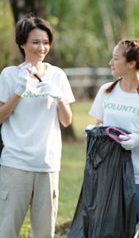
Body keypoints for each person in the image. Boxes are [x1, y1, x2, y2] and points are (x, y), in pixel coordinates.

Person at [0, 16, 75, 237]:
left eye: (45, 42)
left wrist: (59, 97)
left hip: (47, 164)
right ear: (22, 43)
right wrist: (18, 92)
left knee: (44, 231)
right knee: (8, 229)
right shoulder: (9, 75)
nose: (41, 48)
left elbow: (66, 120)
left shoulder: (57, 75)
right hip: (16, 163)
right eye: (35, 42)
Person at [89, 39, 139, 220]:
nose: (110, 63)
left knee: (136, 224)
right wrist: (94, 132)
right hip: (109, 170)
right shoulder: (105, 91)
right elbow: (99, 125)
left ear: (131, 63)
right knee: (110, 224)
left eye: (115, 58)